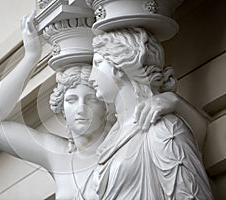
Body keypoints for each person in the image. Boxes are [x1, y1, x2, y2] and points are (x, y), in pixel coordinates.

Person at [0, 12, 208, 199]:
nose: (80, 108)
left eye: (91, 98)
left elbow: (193, 141)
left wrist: (176, 103)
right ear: (61, 108)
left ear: (106, 106)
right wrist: (31, 58)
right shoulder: (60, 155)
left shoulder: (125, 141)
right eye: (71, 100)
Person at [89, 28, 213, 199]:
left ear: (118, 67)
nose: (91, 77)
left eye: (97, 64)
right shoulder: (112, 138)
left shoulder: (162, 129)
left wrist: (176, 102)